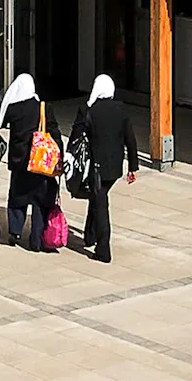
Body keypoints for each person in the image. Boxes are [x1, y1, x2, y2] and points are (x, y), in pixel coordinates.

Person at [72, 73, 143, 260]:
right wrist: (133, 166)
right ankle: (90, 235)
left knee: (101, 203)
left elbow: (76, 137)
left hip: (95, 167)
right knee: (98, 197)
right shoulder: (121, 109)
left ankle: (103, 249)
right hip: (114, 167)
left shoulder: (88, 110)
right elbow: (130, 139)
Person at [0, 72, 56, 250]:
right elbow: (54, 131)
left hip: (20, 160)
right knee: (40, 200)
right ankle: (36, 239)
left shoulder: (14, 109)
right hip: (39, 160)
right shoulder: (43, 107)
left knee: (17, 196)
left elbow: (1, 119)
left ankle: (15, 232)